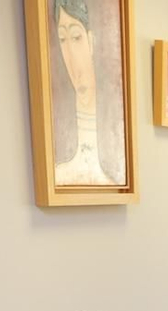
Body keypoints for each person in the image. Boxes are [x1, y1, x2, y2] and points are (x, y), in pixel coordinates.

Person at [52, 0, 120, 186]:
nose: (71, 53)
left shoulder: (114, 122)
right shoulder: (59, 172)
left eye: (76, 37)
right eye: (62, 40)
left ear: (90, 41)